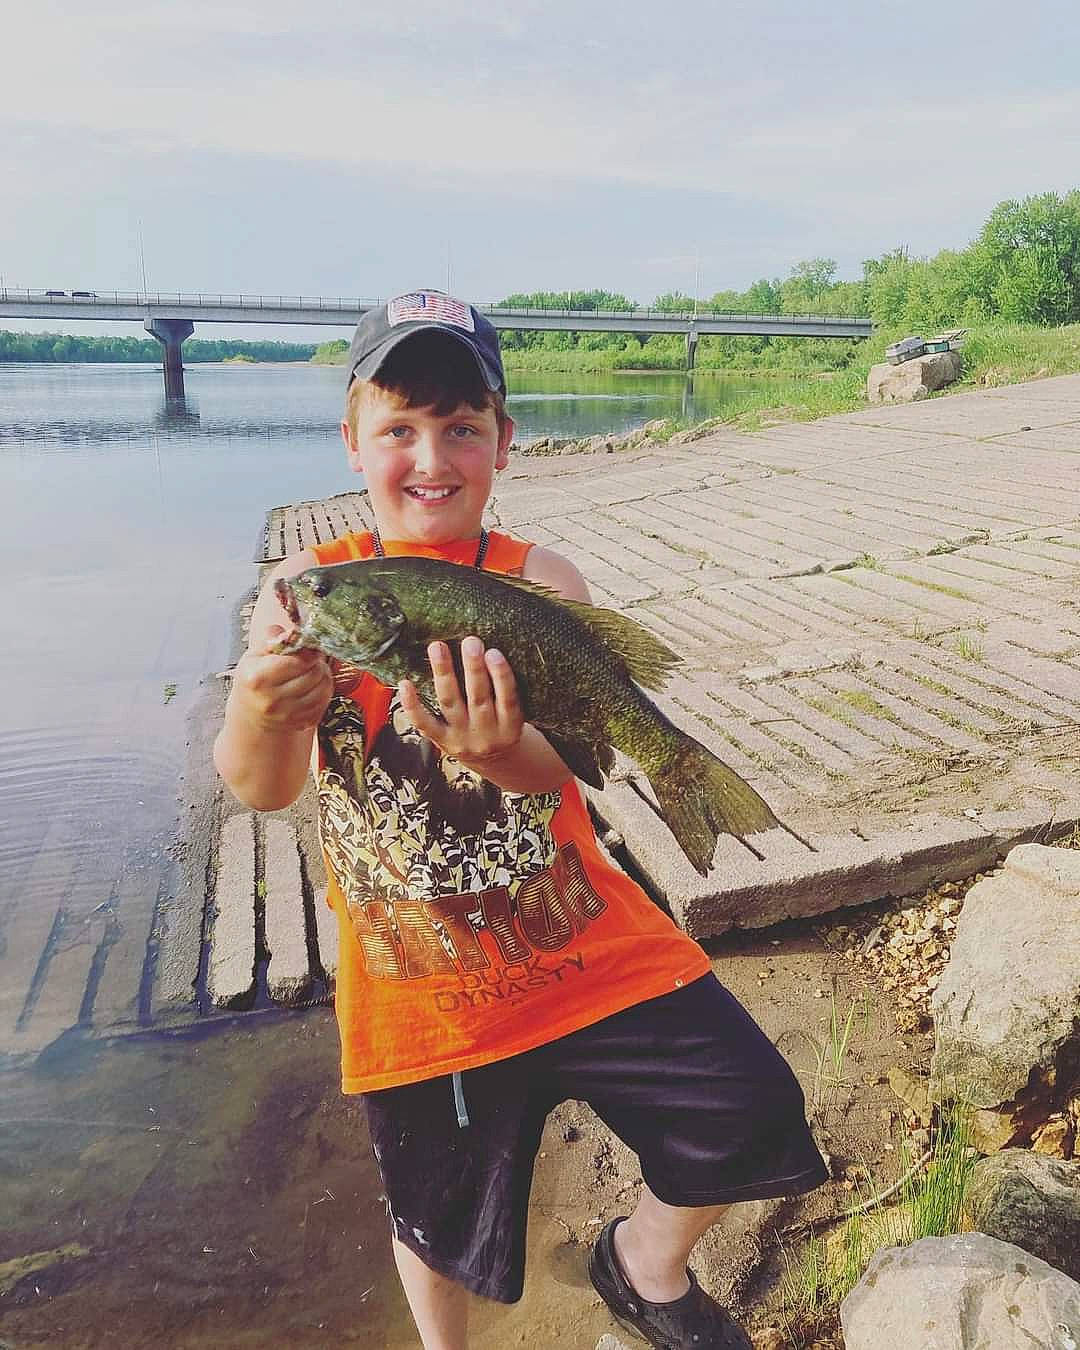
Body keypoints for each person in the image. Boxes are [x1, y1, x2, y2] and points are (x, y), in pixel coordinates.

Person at [214, 290, 827, 1350]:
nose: (431, 457)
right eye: (398, 429)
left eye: (461, 427)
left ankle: (642, 1261)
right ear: (353, 443)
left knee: (751, 1108)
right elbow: (262, 786)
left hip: (580, 938)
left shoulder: (538, 579)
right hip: (423, 986)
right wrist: (258, 706)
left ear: (505, 439)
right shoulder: (308, 595)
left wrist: (504, 753)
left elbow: (569, 767)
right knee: (435, 1218)